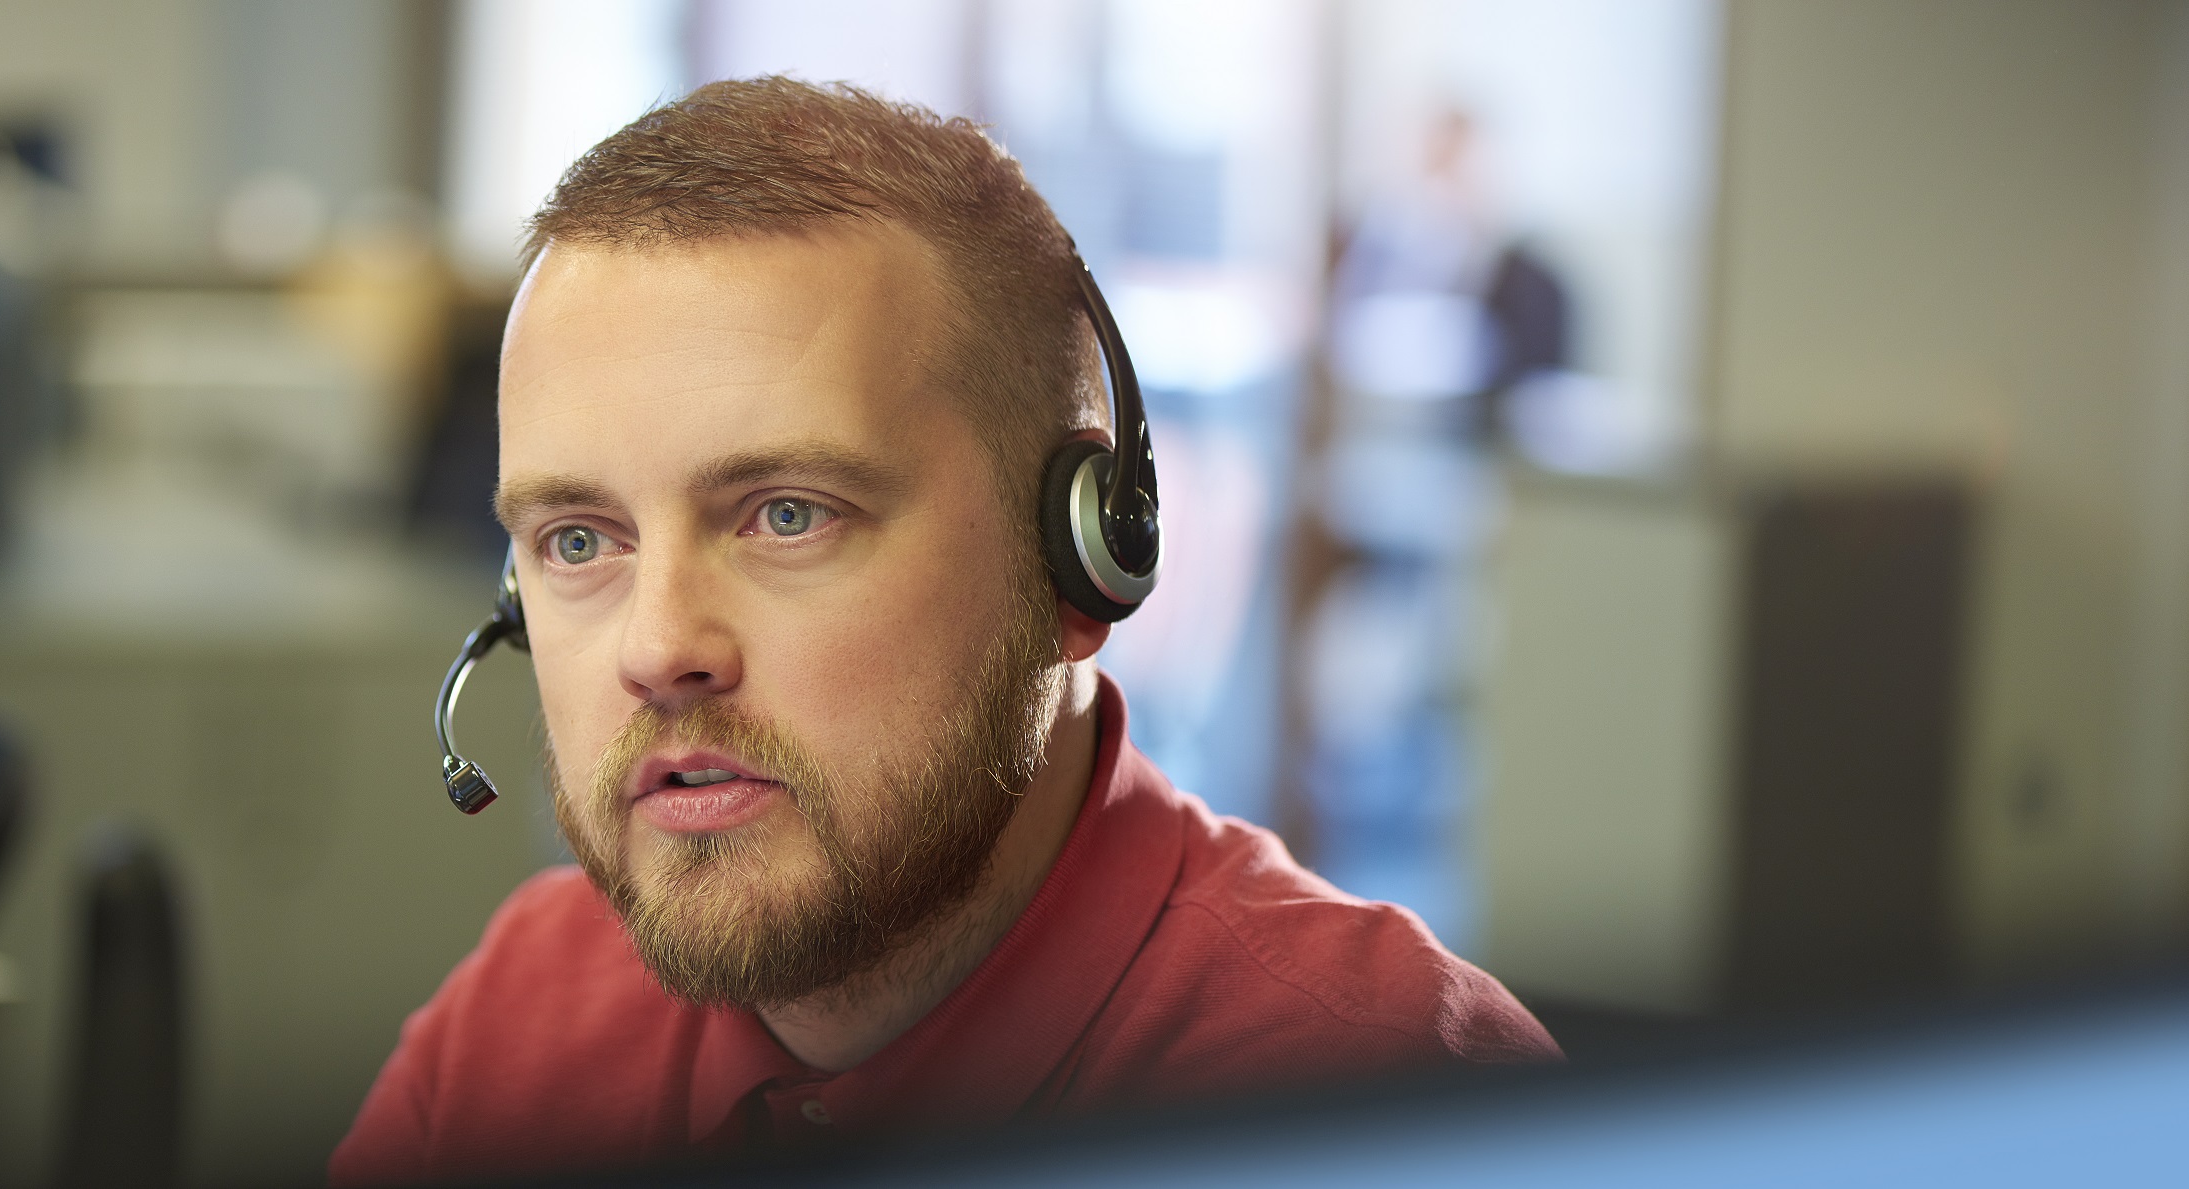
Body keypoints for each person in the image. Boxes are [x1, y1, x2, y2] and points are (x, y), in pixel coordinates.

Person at [332, 78, 1557, 1186]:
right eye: (580, 540)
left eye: (787, 514)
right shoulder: (524, 1012)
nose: (658, 649)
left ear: (1079, 560)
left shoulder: (1396, 1102)